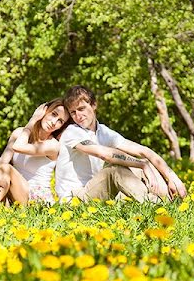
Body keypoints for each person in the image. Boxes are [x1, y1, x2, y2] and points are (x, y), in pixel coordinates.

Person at [55, 85, 187, 202]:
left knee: (144, 165)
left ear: (94, 105)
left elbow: (144, 151)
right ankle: (153, 204)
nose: (78, 115)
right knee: (115, 169)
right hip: (75, 198)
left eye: (81, 108)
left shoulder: (103, 132)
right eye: (73, 112)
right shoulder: (72, 132)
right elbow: (105, 155)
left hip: (96, 190)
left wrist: (172, 177)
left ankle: (170, 200)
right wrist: (142, 164)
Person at [0, 99, 70, 205]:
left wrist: (33, 120)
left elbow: (18, 147)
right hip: (12, 192)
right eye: (53, 114)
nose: (54, 122)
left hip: (36, 200)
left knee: (6, 169)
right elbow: (2, 160)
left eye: (60, 121)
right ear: (44, 110)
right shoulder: (19, 133)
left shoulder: (53, 145)